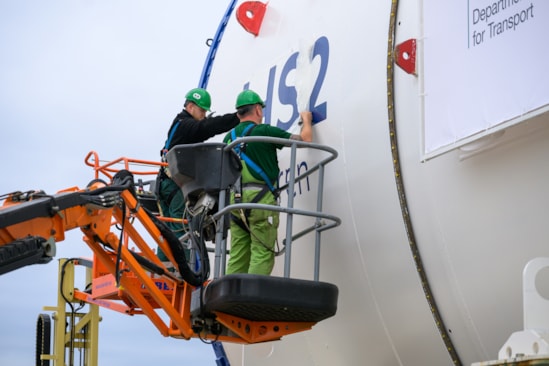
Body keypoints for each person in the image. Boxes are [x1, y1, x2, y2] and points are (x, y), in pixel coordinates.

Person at [223, 89, 313, 275]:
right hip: (260, 201)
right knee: (262, 252)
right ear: (257, 109)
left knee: (238, 256)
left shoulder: (228, 138)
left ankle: (229, 302)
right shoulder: (263, 131)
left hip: (235, 203)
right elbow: (305, 140)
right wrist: (306, 121)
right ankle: (250, 300)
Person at [156, 87, 239, 264]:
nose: (203, 114)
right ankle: (182, 269)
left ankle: (163, 269)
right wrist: (236, 118)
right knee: (180, 226)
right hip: (175, 185)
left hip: (165, 183)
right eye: (202, 110)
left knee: (167, 228)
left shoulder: (179, 124)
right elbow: (206, 127)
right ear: (191, 106)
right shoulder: (186, 125)